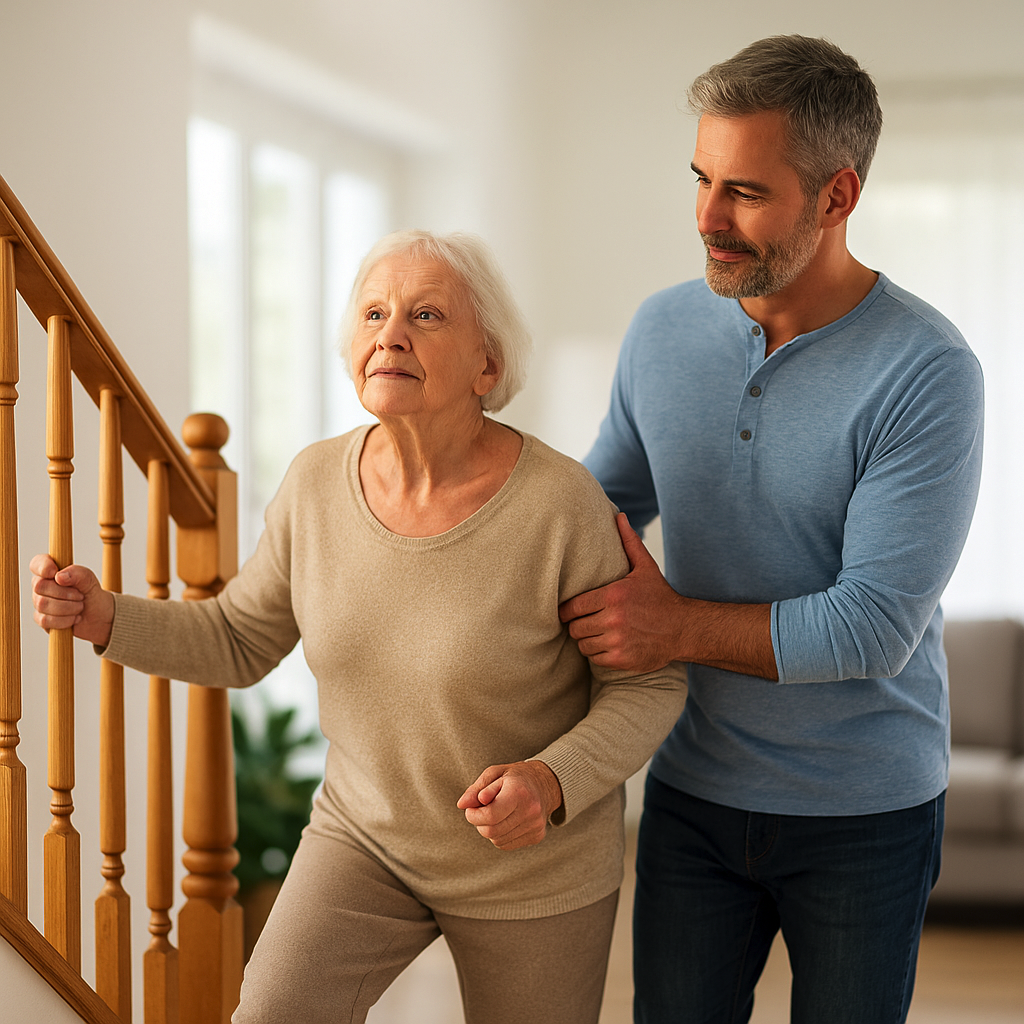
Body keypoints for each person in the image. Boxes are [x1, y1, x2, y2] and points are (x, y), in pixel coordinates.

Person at [31, 229, 686, 1024]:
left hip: (531, 865)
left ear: (489, 364)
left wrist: (550, 784)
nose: (391, 333)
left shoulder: (560, 505)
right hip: (366, 838)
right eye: (374, 313)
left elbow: (648, 683)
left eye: (427, 315)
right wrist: (105, 615)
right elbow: (241, 641)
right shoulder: (314, 484)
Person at [559, 35, 984, 1024]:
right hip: (692, 794)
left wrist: (669, 628)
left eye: (744, 192)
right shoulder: (660, 330)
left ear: (837, 196)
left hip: (864, 814)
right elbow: (593, 508)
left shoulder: (925, 372)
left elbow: (872, 627)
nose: (706, 218)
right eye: (700, 178)